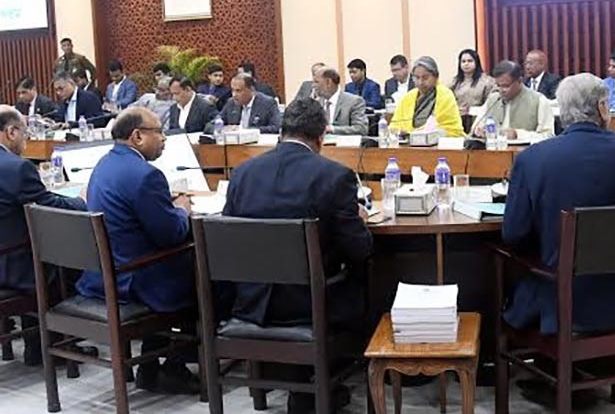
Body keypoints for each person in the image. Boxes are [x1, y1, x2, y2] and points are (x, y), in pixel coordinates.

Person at [502, 74, 615, 406]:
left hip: (563, 302)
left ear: (561, 111)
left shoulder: (533, 159)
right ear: (604, 108)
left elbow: (513, 235)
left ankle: (544, 373)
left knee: (523, 269)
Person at [223, 97, 372, 414]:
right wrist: (357, 220)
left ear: (281, 131)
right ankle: (331, 378)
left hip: (251, 301)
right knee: (367, 277)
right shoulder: (335, 176)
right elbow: (359, 249)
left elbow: (231, 240)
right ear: (321, 137)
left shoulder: (243, 174)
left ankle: (296, 382)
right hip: (310, 304)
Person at [76, 108, 199, 393]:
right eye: (159, 131)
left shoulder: (104, 165)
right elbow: (171, 235)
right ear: (138, 136)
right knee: (206, 274)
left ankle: (150, 367)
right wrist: (182, 210)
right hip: (134, 279)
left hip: (106, 273)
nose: (164, 138)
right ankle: (175, 365)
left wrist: (163, 207)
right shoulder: (146, 175)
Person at [0, 106, 87, 365]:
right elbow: (50, 205)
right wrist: (83, 201)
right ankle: (57, 346)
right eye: (25, 134)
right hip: (14, 267)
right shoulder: (17, 168)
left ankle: (35, 345)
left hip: (6, 255)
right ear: (11, 131)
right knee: (72, 262)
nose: (26, 141)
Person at [473, 61, 554, 142]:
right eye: (498, 85)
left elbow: (548, 136)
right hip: (494, 151)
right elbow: (476, 127)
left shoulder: (539, 100)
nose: (501, 90)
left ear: (519, 81)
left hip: (525, 152)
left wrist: (518, 134)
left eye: (506, 86)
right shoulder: (493, 99)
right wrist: (478, 131)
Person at [390, 56, 464, 138]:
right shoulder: (408, 97)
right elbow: (394, 125)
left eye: (425, 78)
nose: (420, 82)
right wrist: (400, 132)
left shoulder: (445, 96)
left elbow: (452, 130)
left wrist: (417, 133)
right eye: (417, 78)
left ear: (436, 77)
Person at [206, 73, 282, 134]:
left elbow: (276, 127)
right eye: (233, 90)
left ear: (251, 90)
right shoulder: (231, 103)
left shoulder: (268, 103)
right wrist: (222, 128)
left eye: (238, 91)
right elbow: (209, 126)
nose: (234, 95)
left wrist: (245, 130)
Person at [315, 68, 368, 136]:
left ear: (328, 82)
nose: (313, 85)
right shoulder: (316, 103)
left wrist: (332, 129)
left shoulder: (354, 101)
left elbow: (361, 129)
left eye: (316, 82)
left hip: (344, 145)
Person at [450, 49, 495, 114]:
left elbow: (490, 104)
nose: (466, 64)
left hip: (479, 118)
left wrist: (472, 110)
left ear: (476, 62)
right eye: (463, 61)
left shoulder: (487, 81)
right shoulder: (454, 82)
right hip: (457, 117)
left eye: (470, 61)